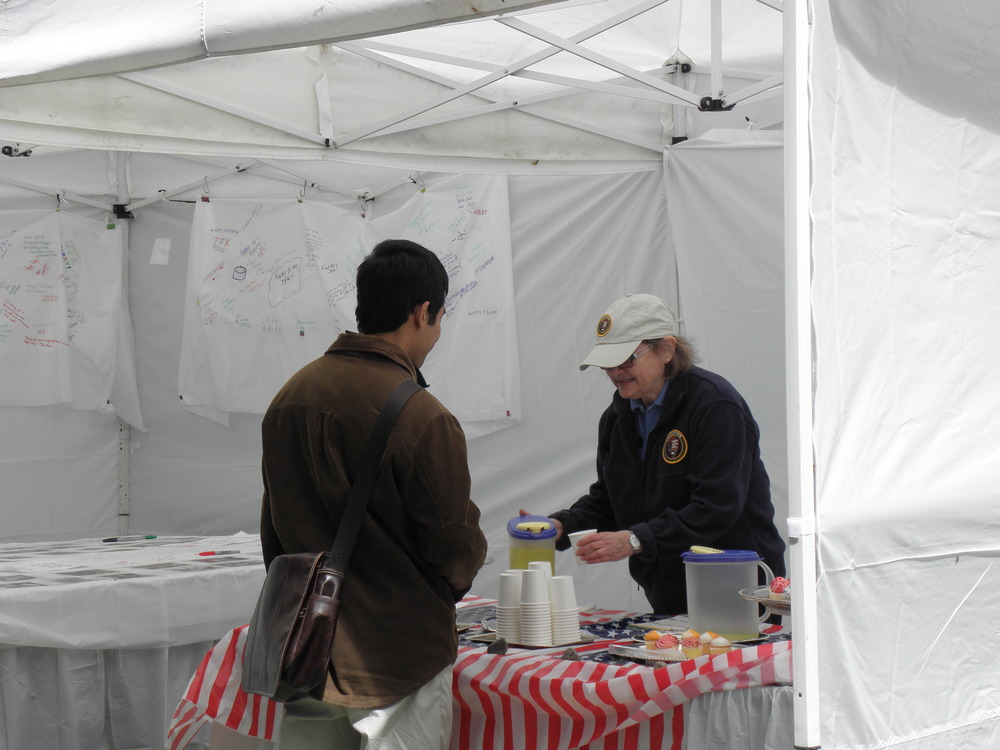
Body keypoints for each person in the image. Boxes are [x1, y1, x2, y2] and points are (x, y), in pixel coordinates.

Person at [259, 238, 488, 749]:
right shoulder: (422, 415)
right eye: (440, 317)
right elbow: (454, 546)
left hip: (305, 646)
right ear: (422, 311)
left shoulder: (289, 397)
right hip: (396, 657)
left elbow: (274, 528)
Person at [531, 293, 785, 615]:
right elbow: (609, 499)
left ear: (666, 349)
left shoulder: (714, 406)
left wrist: (636, 540)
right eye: (607, 363)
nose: (615, 372)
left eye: (626, 360)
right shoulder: (616, 417)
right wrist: (561, 525)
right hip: (669, 590)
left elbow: (717, 507)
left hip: (739, 587)